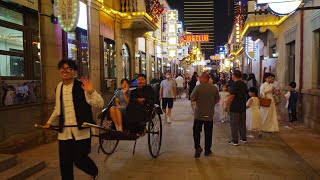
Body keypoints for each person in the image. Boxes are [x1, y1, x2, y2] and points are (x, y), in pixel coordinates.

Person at [44, 60, 104, 180]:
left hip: (81, 131)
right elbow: (58, 108)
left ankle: (94, 171)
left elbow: (99, 104)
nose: (64, 71)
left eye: (68, 69)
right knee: (65, 163)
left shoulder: (82, 86)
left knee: (79, 160)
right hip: (64, 132)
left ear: (74, 72)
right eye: (62, 68)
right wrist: (50, 122)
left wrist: (91, 91)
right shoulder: (58, 87)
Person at [191, 72, 220, 158]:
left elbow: (192, 98)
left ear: (204, 78)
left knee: (196, 132)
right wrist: (211, 103)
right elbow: (217, 100)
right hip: (209, 114)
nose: (199, 79)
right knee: (208, 133)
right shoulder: (214, 88)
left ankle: (197, 147)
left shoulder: (198, 87)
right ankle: (207, 150)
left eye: (200, 78)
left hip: (199, 115)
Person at [225, 70, 248, 146]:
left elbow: (232, 96)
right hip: (242, 106)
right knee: (242, 123)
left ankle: (235, 140)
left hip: (235, 106)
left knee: (234, 124)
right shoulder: (244, 84)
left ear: (234, 76)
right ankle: (243, 138)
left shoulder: (235, 84)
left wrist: (227, 105)